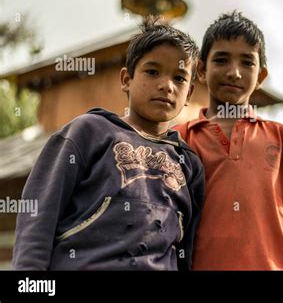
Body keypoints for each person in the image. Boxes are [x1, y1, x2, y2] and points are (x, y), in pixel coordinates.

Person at [12, 16, 204, 270]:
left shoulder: (188, 164)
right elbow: (39, 214)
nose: (166, 85)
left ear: (189, 93)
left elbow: (185, 252)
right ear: (126, 79)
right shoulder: (89, 133)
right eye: (152, 71)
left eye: (179, 78)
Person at [174, 11, 283, 270]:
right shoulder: (179, 139)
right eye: (221, 60)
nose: (234, 72)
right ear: (202, 70)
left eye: (247, 63)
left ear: (261, 77)